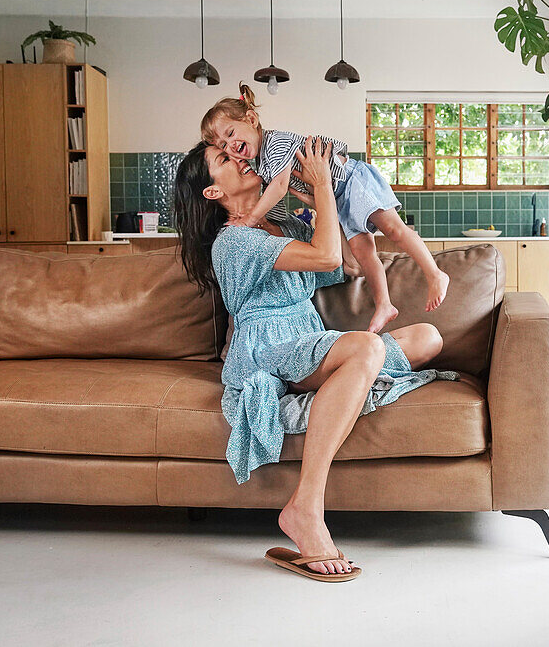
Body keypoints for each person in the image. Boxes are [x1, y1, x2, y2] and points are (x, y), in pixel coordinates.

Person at [172, 135, 457, 582]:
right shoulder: (233, 242)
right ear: (214, 192)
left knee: (428, 337)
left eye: (235, 150)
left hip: (306, 340)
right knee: (367, 346)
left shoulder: (281, 227)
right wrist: (323, 185)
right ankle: (305, 507)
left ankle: (342, 381)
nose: (240, 158)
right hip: (266, 349)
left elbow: (349, 263)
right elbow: (324, 256)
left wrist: (313, 195)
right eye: (224, 159)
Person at [200, 83, 450, 334]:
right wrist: (266, 219)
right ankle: (384, 304)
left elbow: (280, 187)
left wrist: (251, 218)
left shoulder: (274, 145)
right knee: (363, 253)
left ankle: (435, 274)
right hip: (336, 197)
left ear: (252, 119)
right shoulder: (262, 165)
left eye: (231, 134)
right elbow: (350, 265)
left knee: (395, 231)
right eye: (222, 146)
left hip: (352, 180)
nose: (230, 146)